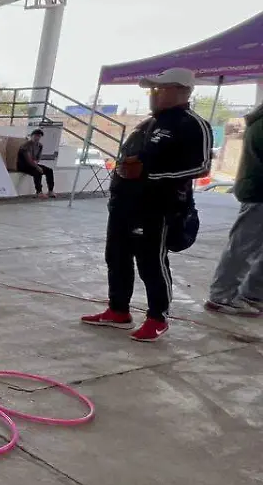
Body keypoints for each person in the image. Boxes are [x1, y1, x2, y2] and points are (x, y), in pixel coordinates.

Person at [82, 68, 212, 342]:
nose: (154, 94)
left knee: (151, 262)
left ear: (182, 91)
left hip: (158, 207)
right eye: (153, 90)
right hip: (124, 204)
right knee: (116, 257)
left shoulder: (192, 124)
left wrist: (149, 175)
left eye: (161, 89)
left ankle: (157, 317)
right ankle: (118, 310)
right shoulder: (148, 123)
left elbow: (201, 167)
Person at [205, 102, 263, 315]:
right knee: (243, 247)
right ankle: (222, 296)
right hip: (259, 193)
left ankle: (253, 293)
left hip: (257, 191)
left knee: (251, 247)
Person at [17, 128, 55, 198]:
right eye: (35, 136)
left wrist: (36, 163)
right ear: (31, 136)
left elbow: (38, 158)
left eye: (39, 136)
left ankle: (50, 191)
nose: (37, 138)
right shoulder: (25, 146)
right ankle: (39, 192)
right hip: (24, 165)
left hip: (33, 164)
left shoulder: (40, 145)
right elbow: (28, 160)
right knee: (37, 171)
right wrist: (37, 167)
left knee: (49, 170)